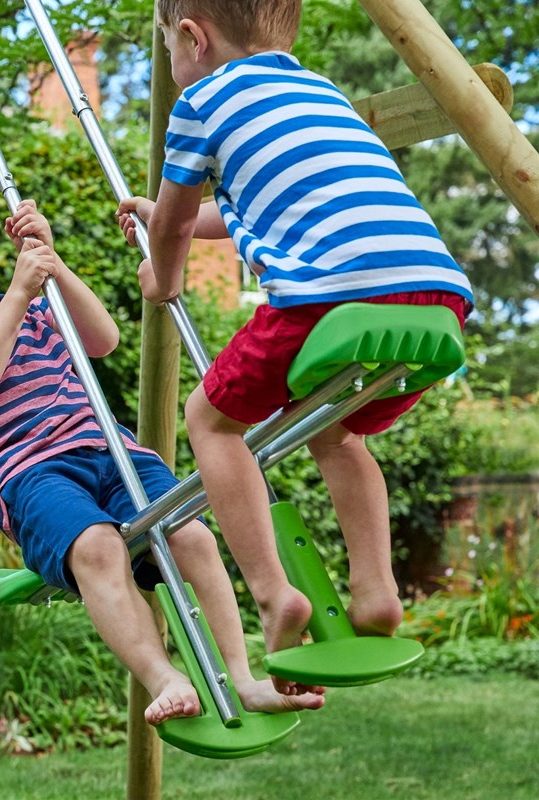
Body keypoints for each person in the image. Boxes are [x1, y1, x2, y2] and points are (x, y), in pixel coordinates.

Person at [0, 169, 325, 724]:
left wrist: (53, 265)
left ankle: (243, 677)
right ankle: (162, 675)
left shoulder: (24, 305)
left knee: (191, 535)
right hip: (31, 475)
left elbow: (102, 339)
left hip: (109, 451)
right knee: (96, 547)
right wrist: (20, 295)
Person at [117, 0, 473, 693]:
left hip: (328, 296)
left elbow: (178, 229)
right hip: (435, 294)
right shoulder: (317, 91)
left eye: (167, 51)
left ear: (192, 37)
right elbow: (257, 201)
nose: (173, 66)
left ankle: (274, 592)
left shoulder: (198, 103)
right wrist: (167, 214)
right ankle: (375, 589)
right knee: (340, 435)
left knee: (209, 421)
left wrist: (162, 275)